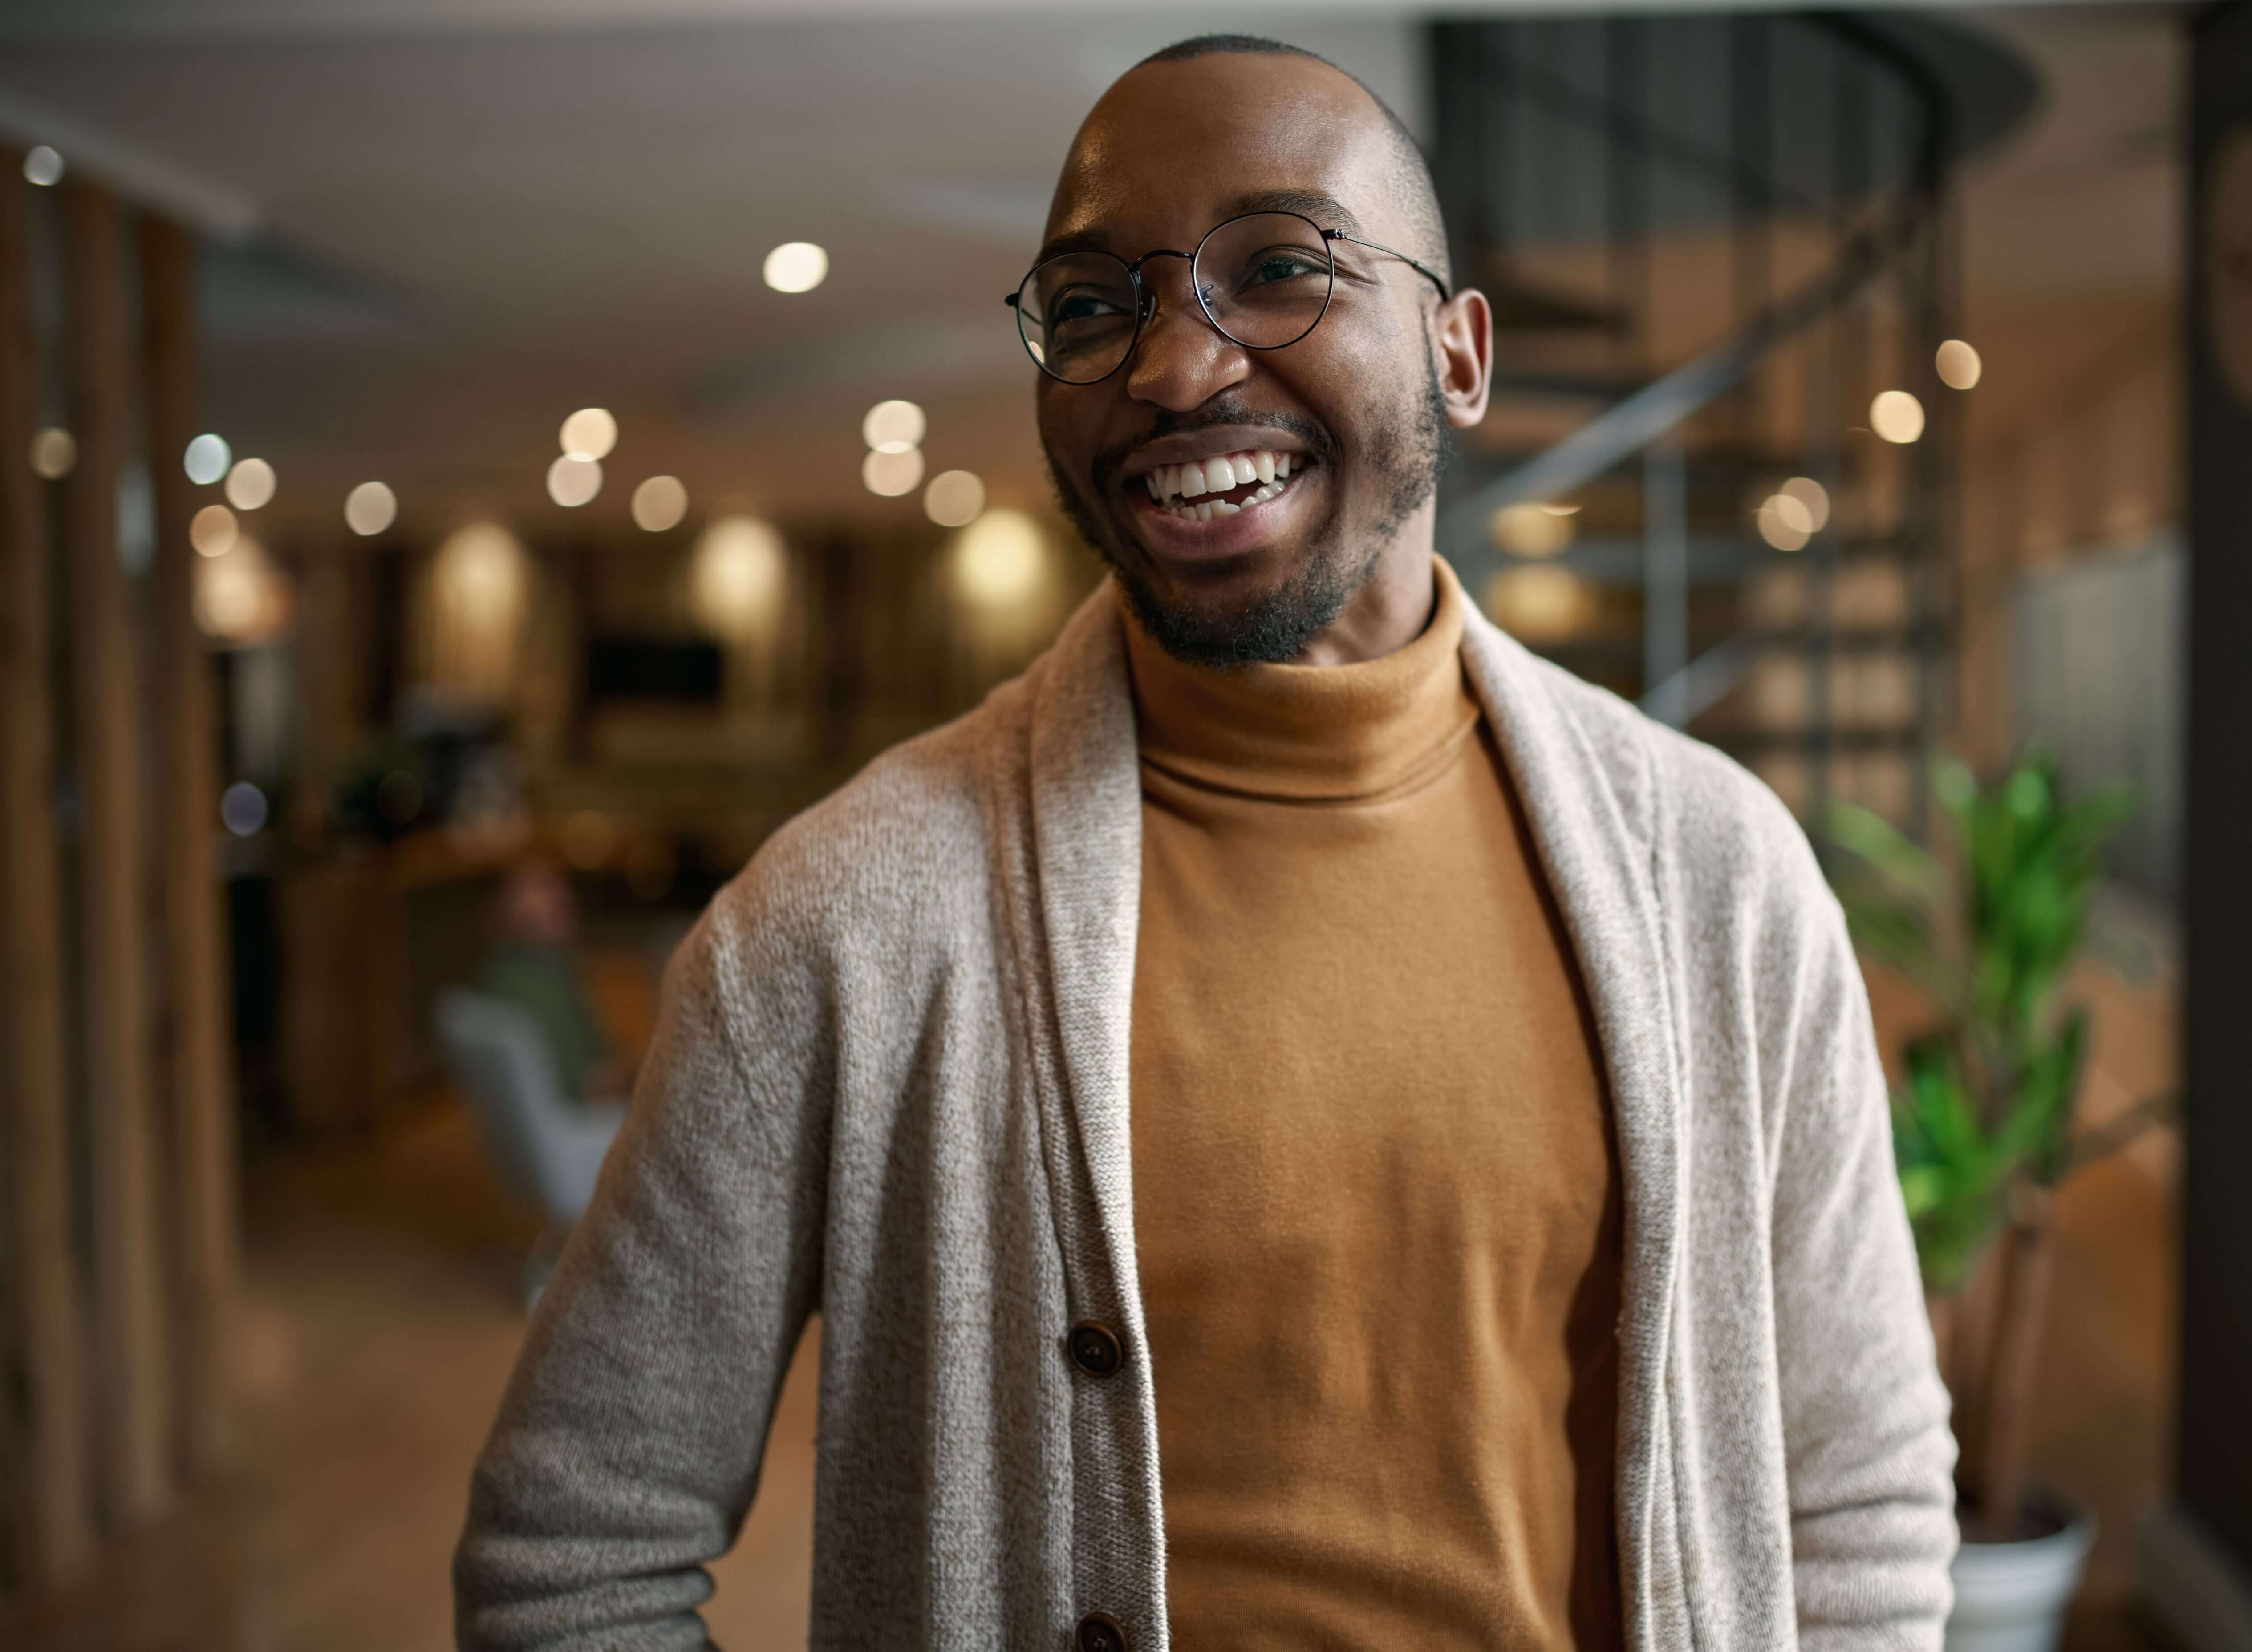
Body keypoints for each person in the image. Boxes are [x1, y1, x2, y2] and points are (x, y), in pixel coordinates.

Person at [456, 35, 1955, 1652]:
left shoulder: (1719, 877)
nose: (1174, 368)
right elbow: (572, 1559)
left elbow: (1857, 1493)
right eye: (1095, 305)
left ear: (1459, 355)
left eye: (1282, 267)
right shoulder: (838, 922)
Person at [470, 856, 632, 1105]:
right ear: (500, 906)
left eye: (555, 884)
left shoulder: (525, 969)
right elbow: (589, 1086)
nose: (558, 897)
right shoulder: (529, 988)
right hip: (587, 1122)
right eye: (535, 887)